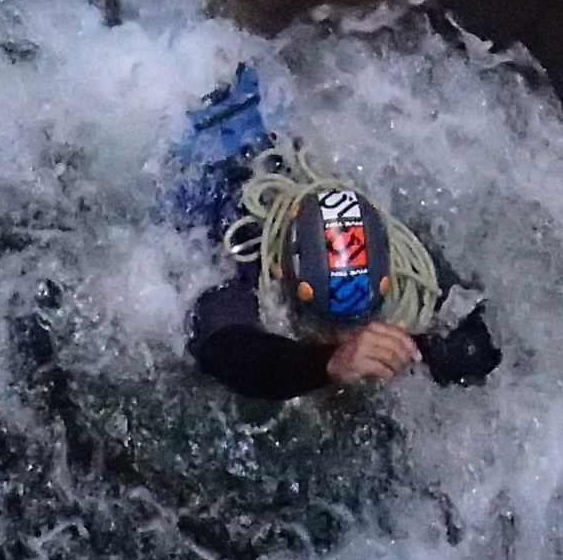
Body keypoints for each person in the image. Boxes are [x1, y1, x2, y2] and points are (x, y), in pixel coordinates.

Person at [165, 64, 502, 399]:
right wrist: (329, 363)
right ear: (284, 272)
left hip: (266, 114)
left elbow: (476, 347)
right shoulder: (241, 256)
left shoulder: (396, 253)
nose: (354, 334)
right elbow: (232, 353)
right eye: (332, 327)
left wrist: (416, 348)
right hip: (190, 148)